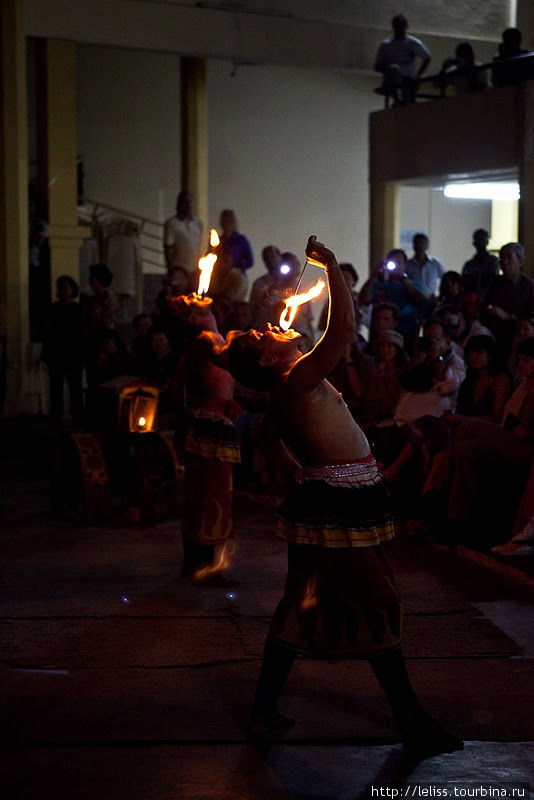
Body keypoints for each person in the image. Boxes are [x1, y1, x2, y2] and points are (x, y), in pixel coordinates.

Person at [221, 236, 462, 760]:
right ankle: (411, 718)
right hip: (334, 508)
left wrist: (303, 474)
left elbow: (264, 440)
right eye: (266, 332)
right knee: (379, 601)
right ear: (267, 356)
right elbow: (346, 331)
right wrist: (331, 269)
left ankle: (265, 708)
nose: (275, 326)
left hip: (329, 500)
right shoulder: (296, 378)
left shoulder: (288, 387)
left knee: (304, 601)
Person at [171, 294, 241, 584]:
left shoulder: (210, 337)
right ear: (192, 317)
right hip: (207, 426)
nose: (194, 294)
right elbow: (226, 358)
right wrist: (239, 338)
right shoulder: (204, 338)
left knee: (209, 493)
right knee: (210, 494)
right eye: (190, 301)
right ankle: (203, 567)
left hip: (212, 421)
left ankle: (197, 565)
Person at [359, 249, 424, 348]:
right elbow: (364, 299)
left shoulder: (413, 285)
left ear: (405, 265)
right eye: (392, 262)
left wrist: (403, 279)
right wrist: (373, 276)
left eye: (399, 263)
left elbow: (419, 299)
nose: (395, 266)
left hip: (407, 335)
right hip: (381, 336)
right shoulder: (379, 285)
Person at [41, 276, 84, 425]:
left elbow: (80, 332)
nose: (63, 291)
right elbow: (47, 332)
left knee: (74, 386)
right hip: (57, 353)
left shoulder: (77, 309)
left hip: (72, 353)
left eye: (66, 287)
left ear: (72, 289)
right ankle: (57, 414)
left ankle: (77, 415)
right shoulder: (54, 308)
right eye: (61, 288)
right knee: (56, 386)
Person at [482, 242, 534, 356]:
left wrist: (507, 316)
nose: (504, 261)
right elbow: (484, 307)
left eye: (509, 257)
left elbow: (531, 320)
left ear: (520, 261)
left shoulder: (529, 286)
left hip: (517, 339)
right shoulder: (494, 283)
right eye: (501, 258)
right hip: (493, 337)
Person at [374, 14, 431, 105]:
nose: (399, 29)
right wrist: (390, 68)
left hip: (407, 79)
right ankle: (398, 98)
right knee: (394, 69)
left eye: (401, 26)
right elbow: (377, 66)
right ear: (393, 27)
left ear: (406, 27)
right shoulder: (386, 45)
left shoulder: (413, 43)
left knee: (407, 102)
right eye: (397, 26)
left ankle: (401, 101)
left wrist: (418, 75)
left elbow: (427, 57)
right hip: (391, 80)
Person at [163, 191, 203, 280]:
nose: (188, 205)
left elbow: (198, 246)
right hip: (179, 270)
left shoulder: (198, 223)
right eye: (185, 202)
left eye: (190, 202)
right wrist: (171, 269)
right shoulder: (172, 224)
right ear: (179, 204)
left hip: (195, 270)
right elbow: (168, 249)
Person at [461, 229, 499, 295]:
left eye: (482, 240)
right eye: (478, 240)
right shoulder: (469, 265)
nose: (480, 243)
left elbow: (492, 282)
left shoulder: (493, 261)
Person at [219, 209, 254, 274]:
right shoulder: (218, 241)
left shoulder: (241, 240)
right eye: (224, 221)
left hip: (237, 275)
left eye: (229, 221)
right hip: (220, 276)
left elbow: (250, 261)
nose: (226, 224)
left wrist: (239, 268)